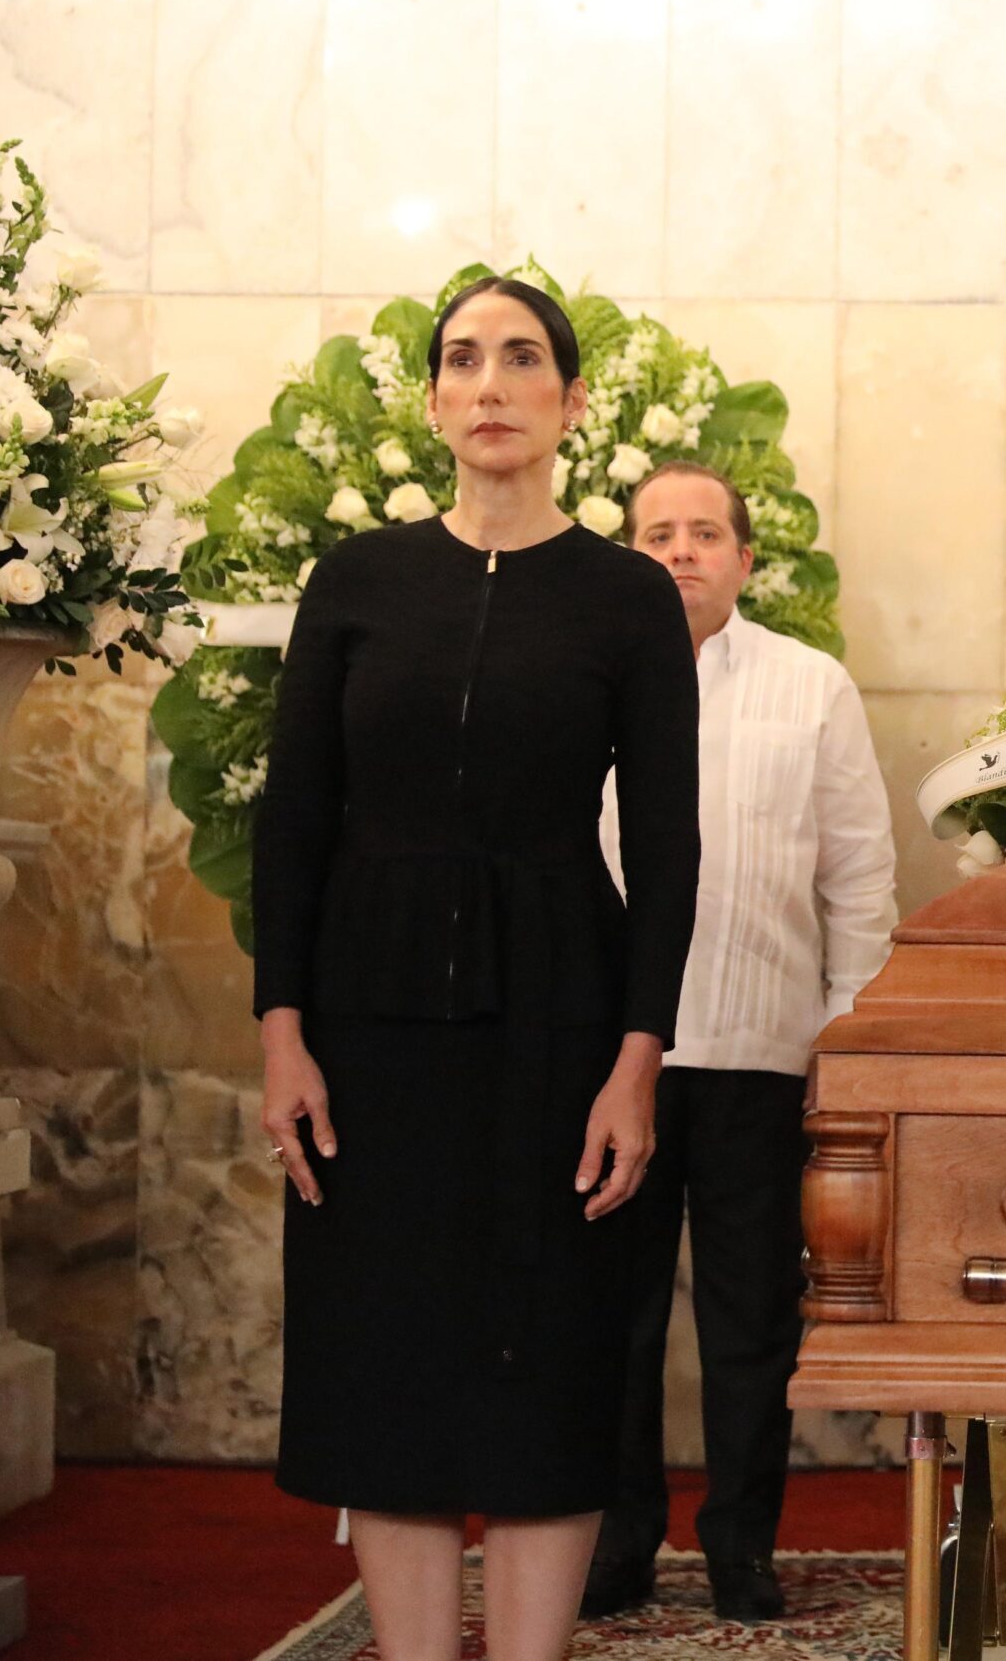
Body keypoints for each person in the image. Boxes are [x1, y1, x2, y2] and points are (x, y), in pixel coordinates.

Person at [255, 276, 700, 1661]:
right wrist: (282, 1030)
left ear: (571, 403)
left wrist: (639, 1058)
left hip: (560, 1024)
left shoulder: (628, 595)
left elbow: (672, 845)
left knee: (547, 1366)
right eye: (464, 359)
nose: (492, 382)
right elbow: (296, 816)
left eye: (522, 358)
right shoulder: (359, 580)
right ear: (435, 402)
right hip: (365, 1025)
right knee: (381, 1362)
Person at [581, 462, 897, 1622]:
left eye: (704, 532)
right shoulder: (587, 680)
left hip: (765, 1057)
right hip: (613, 1066)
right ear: (627, 550)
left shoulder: (810, 687)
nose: (680, 551)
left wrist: (841, 1039)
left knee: (752, 1324)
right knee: (611, 1325)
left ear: (746, 558)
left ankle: (740, 1546)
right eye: (656, 532)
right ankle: (616, 1541)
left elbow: (859, 875)